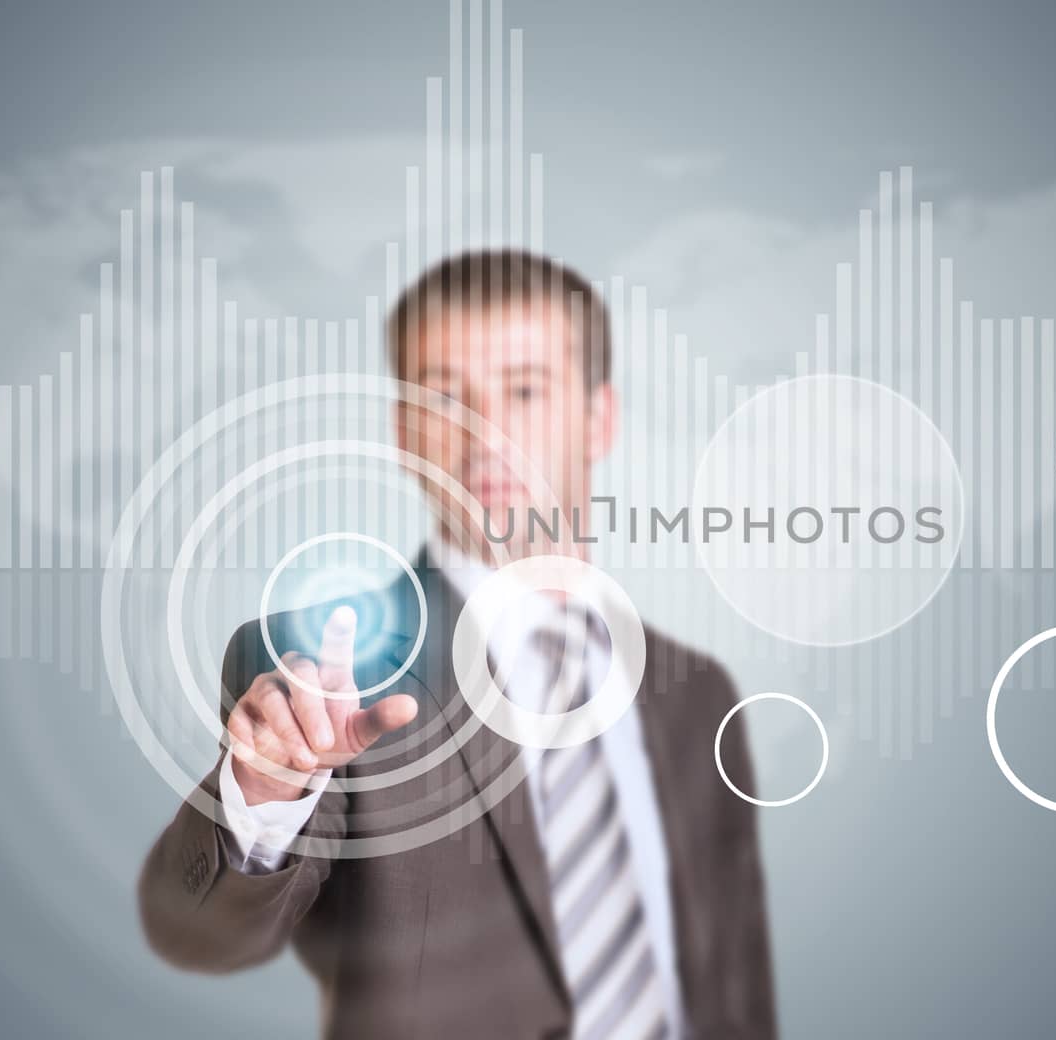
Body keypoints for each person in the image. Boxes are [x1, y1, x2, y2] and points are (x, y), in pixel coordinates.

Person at [138, 250, 776, 1039]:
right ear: (404, 430)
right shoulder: (320, 672)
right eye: (445, 395)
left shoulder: (697, 694)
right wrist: (266, 793)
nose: (486, 433)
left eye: (525, 389)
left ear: (597, 419)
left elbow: (734, 982)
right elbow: (197, 934)